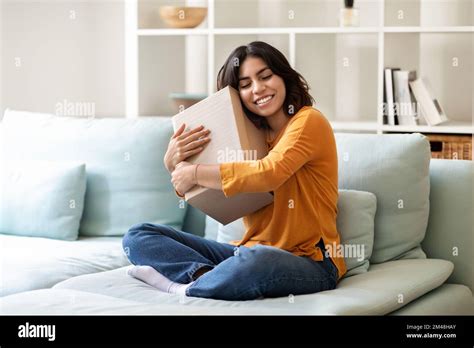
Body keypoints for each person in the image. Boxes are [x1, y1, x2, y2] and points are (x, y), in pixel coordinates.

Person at [122, 41, 347, 301]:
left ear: (283, 77)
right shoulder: (250, 137)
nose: (258, 89)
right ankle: (210, 276)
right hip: (246, 251)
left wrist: (194, 172)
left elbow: (268, 172)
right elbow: (219, 198)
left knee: (258, 260)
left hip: (312, 261)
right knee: (139, 235)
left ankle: (183, 287)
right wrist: (173, 165)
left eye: (265, 76)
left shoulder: (308, 121)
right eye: (245, 84)